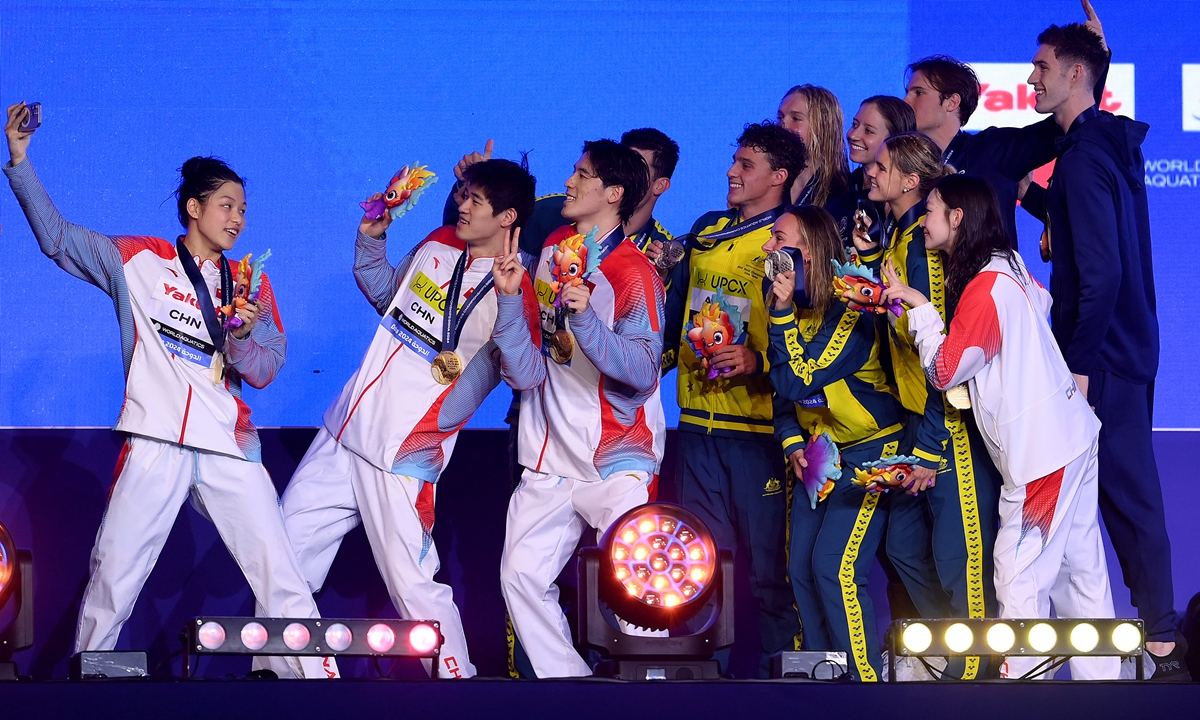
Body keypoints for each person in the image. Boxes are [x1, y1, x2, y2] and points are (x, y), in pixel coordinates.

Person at [2, 102, 334, 679]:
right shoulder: (137, 262)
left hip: (230, 446)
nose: (238, 219)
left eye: (244, 210)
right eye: (227, 206)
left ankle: (314, 681)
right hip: (155, 440)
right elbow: (56, 239)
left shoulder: (253, 282)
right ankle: (92, 682)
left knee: (279, 569)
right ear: (193, 208)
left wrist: (244, 337)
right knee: (117, 570)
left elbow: (265, 369)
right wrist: (20, 160)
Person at [257, 158, 539, 679]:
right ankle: (287, 678)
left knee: (412, 584)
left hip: (404, 452)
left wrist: (506, 300)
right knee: (282, 558)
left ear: (507, 218)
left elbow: (524, 372)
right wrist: (371, 238)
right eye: (463, 194)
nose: (462, 204)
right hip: (344, 432)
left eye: (476, 200)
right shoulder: (436, 244)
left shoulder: (519, 286)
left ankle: (459, 683)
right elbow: (387, 294)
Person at [881, 174, 1117, 680]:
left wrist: (920, 308)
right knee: (1080, 576)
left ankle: (1021, 695)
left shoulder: (985, 287)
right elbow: (1041, 308)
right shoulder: (1007, 265)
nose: (924, 220)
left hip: (1045, 452)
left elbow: (945, 370)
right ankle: (1105, 695)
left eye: (933, 210)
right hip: (1069, 435)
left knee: (1017, 573)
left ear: (957, 218)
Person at [1030, 21, 1187, 680]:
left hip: (1105, 360)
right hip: (1126, 351)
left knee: (1128, 495)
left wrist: (1079, 366)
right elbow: (1099, 237)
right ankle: (1160, 641)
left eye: (1042, 66)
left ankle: (1166, 646)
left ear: (1073, 73)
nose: (1031, 77)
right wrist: (1042, 206)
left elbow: (1104, 275)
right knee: (1121, 496)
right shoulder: (1106, 145)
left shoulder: (1087, 157)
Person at [490, 139, 664, 678]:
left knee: (638, 593)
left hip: (615, 459)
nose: (568, 182)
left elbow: (641, 371)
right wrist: (508, 302)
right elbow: (540, 348)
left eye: (581, 175)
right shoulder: (555, 247)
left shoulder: (634, 273)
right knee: (520, 576)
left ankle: (650, 695)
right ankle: (571, 688)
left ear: (613, 194)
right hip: (549, 454)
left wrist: (587, 319)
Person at [660, 122, 807, 675]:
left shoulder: (782, 242)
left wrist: (758, 362)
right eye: (734, 161)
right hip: (697, 426)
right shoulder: (707, 229)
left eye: (747, 165)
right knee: (701, 566)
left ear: (779, 177)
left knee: (770, 571)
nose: (732, 172)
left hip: (759, 431)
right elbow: (675, 320)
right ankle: (700, 679)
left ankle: (791, 686)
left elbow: (801, 326)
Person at [859, 132, 1003, 680]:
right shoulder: (900, 235)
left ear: (913, 181)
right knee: (903, 545)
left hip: (949, 426)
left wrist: (930, 442)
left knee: (960, 557)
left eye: (882, 164)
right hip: (914, 417)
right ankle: (953, 652)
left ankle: (977, 675)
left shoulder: (929, 243)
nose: (870, 172)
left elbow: (945, 353)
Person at [764, 206, 907, 681]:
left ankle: (864, 685)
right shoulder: (783, 306)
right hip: (819, 454)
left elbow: (803, 375)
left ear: (807, 251)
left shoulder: (851, 306)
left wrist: (781, 317)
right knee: (801, 568)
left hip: (872, 452)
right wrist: (791, 446)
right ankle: (827, 679)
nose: (767, 248)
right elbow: (782, 394)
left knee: (834, 569)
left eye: (778, 239)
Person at [902, 0, 1110, 250]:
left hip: (990, 289)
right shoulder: (901, 166)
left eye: (918, 93)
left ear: (951, 102)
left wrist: (1096, 61)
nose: (906, 101)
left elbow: (1068, 119)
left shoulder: (993, 151)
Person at [776, 85, 856, 240]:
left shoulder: (844, 193)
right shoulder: (771, 184)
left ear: (823, 126)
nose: (782, 126)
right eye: (780, 118)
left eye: (796, 119)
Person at [845, 96, 916, 243]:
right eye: (855, 124)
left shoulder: (906, 206)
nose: (853, 135)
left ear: (895, 139)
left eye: (868, 131)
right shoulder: (837, 190)